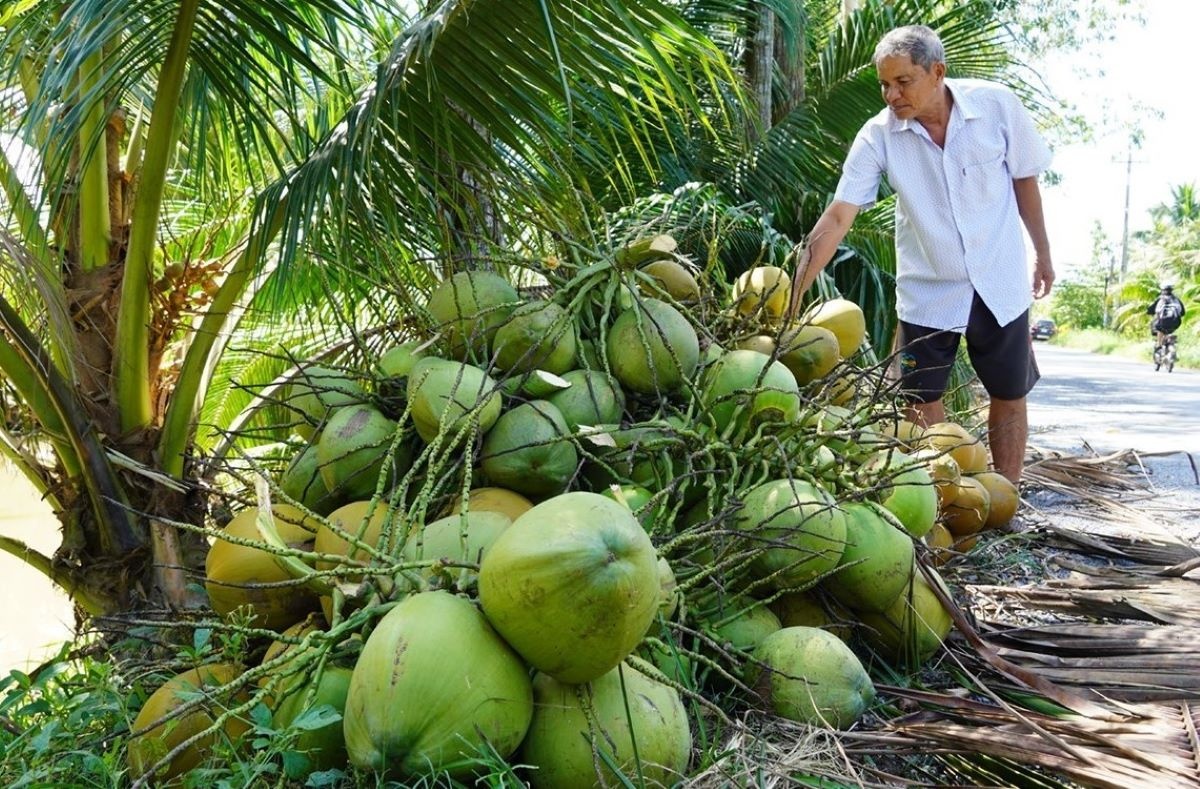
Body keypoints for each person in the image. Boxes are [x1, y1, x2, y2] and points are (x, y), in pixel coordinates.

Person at [786, 25, 1053, 485]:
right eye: (884, 84)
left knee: (1008, 392)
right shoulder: (878, 137)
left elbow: (1025, 180)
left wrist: (1043, 253)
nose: (891, 94)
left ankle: (1005, 496)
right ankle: (945, 497)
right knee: (918, 397)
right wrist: (791, 296)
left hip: (999, 279)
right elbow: (836, 219)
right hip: (928, 291)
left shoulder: (996, 107)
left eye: (903, 81)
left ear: (937, 72)